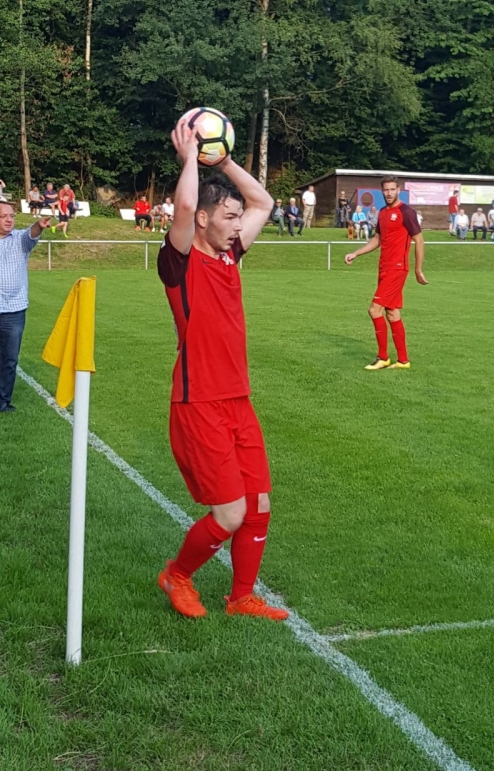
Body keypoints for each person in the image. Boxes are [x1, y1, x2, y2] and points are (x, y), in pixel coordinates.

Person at [156, 117, 288, 622]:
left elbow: (264, 203)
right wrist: (191, 157)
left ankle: (241, 598)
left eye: (238, 218)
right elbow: (183, 207)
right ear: (204, 220)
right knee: (230, 513)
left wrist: (226, 161)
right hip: (199, 403)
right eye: (229, 217)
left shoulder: (231, 256)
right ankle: (177, 575)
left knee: (259, 503)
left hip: (237, 400)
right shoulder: (180, 263)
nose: (238, 225)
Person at [344, 176, 427, 370]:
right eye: (386, 190)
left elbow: (419, 240)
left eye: (392, 189)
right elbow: (377, 240)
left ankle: (382, 357)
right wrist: (356, 253)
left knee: (374, 310)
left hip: (397, 268)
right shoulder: (382, 213)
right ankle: (403, 361)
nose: (389, 193)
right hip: (384, 267)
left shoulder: (406, 212)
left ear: (398, 190)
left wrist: (418, 269)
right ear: (382, 191)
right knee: (392, 312)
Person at [0, 201, 51, 412]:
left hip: (14, 311)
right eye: (4, 216)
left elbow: (31, 234)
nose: (9, 220)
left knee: (9, 359)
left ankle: (3, 402)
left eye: (12, 216)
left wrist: (39, 225)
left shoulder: (20, 240)